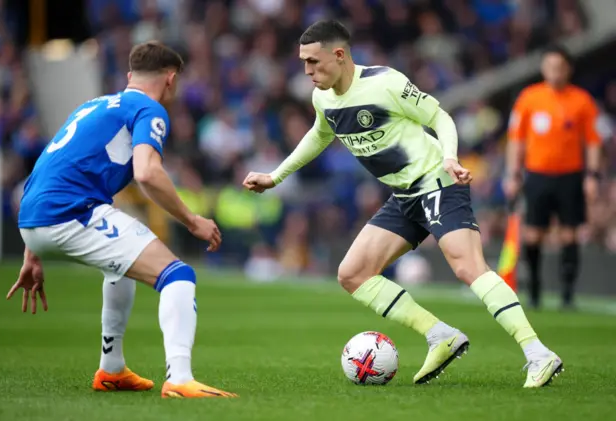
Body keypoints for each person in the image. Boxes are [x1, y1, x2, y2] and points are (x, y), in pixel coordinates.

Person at [243, 20, 562, 388]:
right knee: (353, 273)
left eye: (314, 62)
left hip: (436, 180)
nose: (307, 71)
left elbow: (439, 116)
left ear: (340, 54)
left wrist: (451, 157)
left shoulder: (384, 83)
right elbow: (319, 134)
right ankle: (439, 334)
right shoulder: (323, 97)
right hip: (405, 195)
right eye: (303, 62)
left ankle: (538, 353)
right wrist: (275, 176)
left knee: (467, 266)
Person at [6, 41, 236, 399]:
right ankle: (179, 378)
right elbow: (147, 173)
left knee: (120, 267)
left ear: (130, 76)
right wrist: (192, 220)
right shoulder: (150, 108)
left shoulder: (92, 106)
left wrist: (32, 250)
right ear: (171, 81)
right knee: (177, 274)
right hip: (71, 213)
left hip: (35, 216)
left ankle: (111, 370)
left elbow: (48, 168)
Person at [504, 45, 601, 310]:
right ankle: (534, 291)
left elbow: (593, 141)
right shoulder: (529, 98)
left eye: (559, 67)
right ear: (543, 68)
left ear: (568, 69)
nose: (554, 72)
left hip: (571, 175)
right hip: (537, 175)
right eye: (549, 67)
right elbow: (516, 140)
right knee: (534, 234)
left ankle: (567, 295)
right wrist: (513, 173)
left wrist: (592, 175)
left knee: (570, 235)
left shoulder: (582, 101)